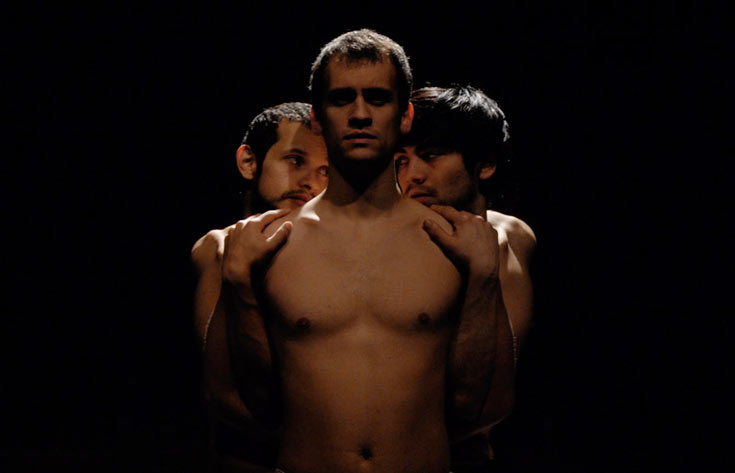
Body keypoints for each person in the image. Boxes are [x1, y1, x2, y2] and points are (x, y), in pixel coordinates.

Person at [222, 29, 508, 473]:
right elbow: (257, 407)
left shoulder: (454, 242)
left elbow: (474, 408)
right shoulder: (272, 243)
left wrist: (484, 278)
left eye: (377, 98)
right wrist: (239, 283)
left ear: (405, 115)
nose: (359, 115)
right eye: (341, 99)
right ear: (318, 118)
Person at [395, 86, 536, 471]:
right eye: (401, 160)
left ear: (485, 164)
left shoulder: (517, 236)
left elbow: (502, 394)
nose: (412, 175)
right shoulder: (397, 244)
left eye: (430, 155)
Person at [191, 102, 328, 472]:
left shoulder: (336, 250)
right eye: (295, 160)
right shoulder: (217, 248)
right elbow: (222, 393)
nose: (311, 182)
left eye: (325, 171)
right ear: (249, 161)